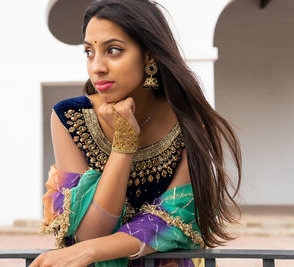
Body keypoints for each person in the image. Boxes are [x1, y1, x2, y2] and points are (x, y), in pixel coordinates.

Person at [32, 0, 242, 266]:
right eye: (89, 52)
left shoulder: (188, 121)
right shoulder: (70, 118)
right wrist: (124, 144)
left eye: (114, 50)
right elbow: (89, 233)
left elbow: (172, 222)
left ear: (150, 54)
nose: (97, 66)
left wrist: (93, 251)